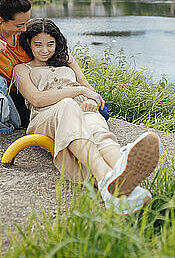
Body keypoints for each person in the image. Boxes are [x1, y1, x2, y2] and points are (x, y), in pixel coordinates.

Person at [13, 18, 160, 213]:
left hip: (78, 108)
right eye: (38, 45)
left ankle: (124, 176)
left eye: (50, 44)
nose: (45, 50)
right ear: (28, 44)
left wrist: (91, 100)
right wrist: (77, 92)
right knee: (67, 105)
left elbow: (88, 89)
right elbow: (37, 99)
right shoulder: (22, 69)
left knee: (97, 127)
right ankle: (105, 177)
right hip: (46, 116)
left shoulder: (66, 60)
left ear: (57, 43)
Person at [0, 0, 105, 135]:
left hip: (51, 89)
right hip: (23, 99)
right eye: (19, 25)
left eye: (27, 22)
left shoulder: (25, 33)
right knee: (69, 119)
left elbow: (63, 56)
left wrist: (89, 90)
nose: (25, 29)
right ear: (0, 20)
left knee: (101, 112)